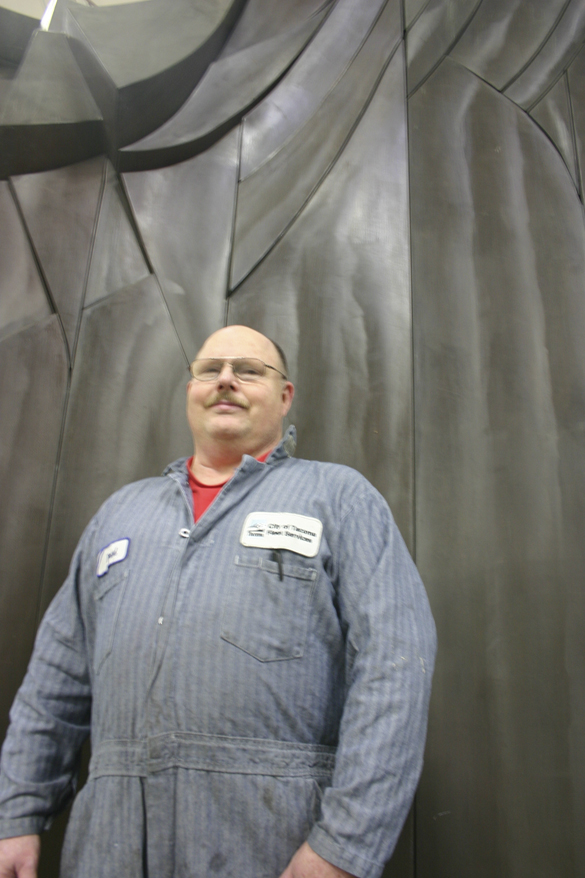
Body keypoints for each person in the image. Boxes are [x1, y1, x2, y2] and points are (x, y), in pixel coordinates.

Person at [0, 325, 437, 878]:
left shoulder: (338, 498)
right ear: (190, 391)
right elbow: (54, 683)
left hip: (273, 842)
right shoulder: (119, 515)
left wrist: (345, 846)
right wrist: (17, 815)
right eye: (210, 369)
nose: (226, 380)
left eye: (249, 370)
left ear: (284, 397)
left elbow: (396, 668)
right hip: (109, 845)